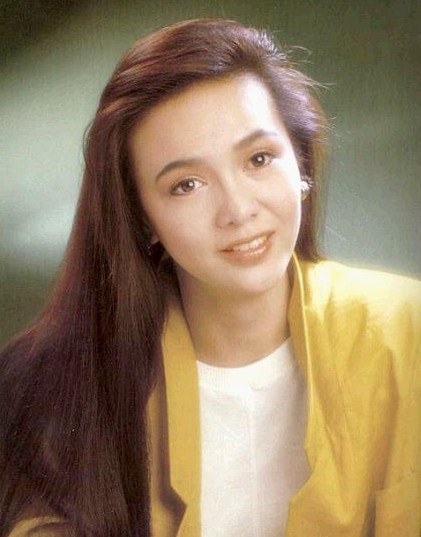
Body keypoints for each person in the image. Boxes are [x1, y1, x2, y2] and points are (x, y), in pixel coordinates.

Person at [0, 18, 420, 537]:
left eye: (259, 159)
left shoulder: (408, 332)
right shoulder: (54, 390)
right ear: (142, 219)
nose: (238, 210)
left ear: (302, 164)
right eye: (187, 185)